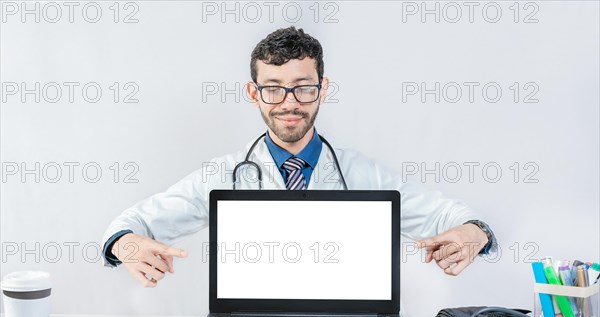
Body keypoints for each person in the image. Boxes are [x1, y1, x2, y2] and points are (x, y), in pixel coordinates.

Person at [102, 26, 497, 287]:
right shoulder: (222, 175)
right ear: (254, 92)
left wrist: (473, 233)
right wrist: (126, 245)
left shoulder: (363, 172)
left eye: (303, 87)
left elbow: (452, 218)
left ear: (323, 89)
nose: (288, 103)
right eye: (273, 88)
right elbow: (128, 224)